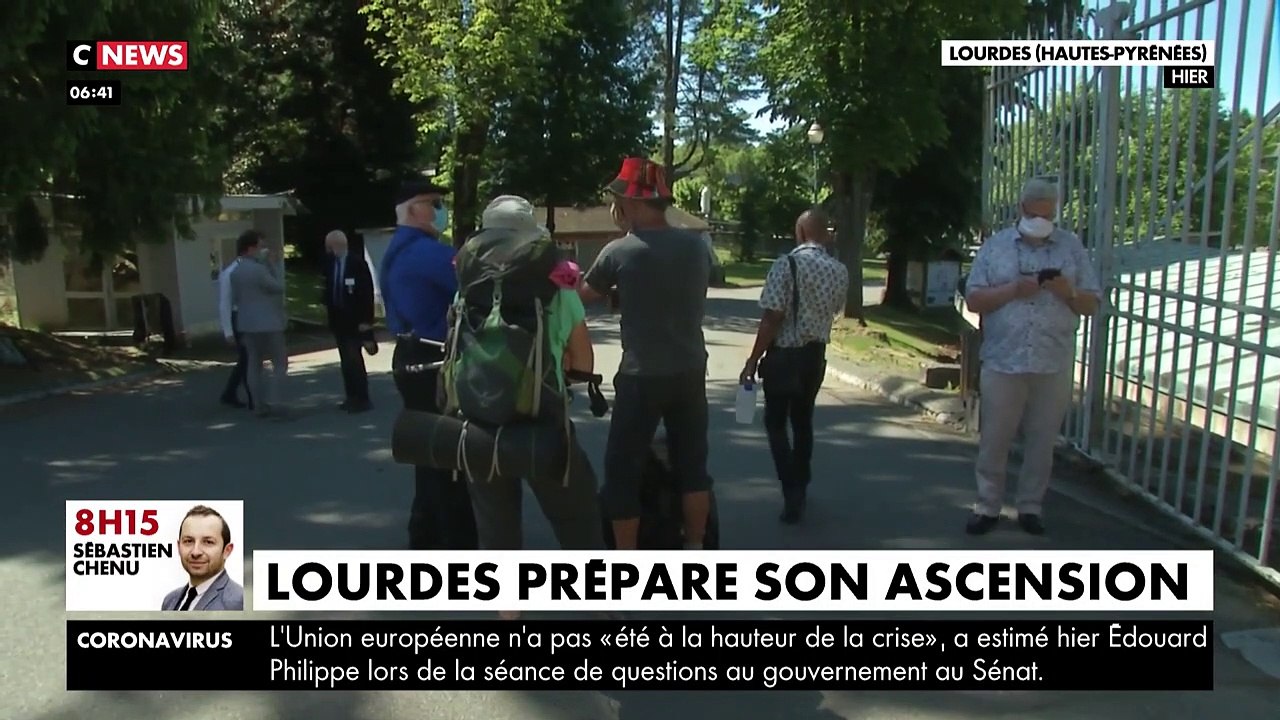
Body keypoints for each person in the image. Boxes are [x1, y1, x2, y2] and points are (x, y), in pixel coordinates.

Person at [459, 196, 606, 555]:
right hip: (542, 413)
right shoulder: (558, 284)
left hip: (479, 415)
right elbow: (583, 360)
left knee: (496, 525)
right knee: (576, 513)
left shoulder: (466, 287)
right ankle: (602, 603)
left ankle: (508, 610)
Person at [579, 157, 712, 551]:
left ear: (632, 204)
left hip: (642, 375)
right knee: (693, 468)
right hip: (690, 370)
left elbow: (582, 297)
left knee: (621, 472)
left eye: (617, 202)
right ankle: (697, 549)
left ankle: (626, 563)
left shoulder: (620, 251)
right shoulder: (697, 247)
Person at [963, 178, 1101, 536]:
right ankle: (987, 504)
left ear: (1055, 211)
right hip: (1003, 359)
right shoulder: (996, 248)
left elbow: (1092, 304)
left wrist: (1067, 291)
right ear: (1021, 209)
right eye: (1034, 212)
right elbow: (974, 299)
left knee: (1042, 440)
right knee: (995, 437)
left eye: (1047, 213)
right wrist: (1012, 290)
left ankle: (1030, 505)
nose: (1040, 219)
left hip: (1051, 360)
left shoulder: (1071, 248)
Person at [380, 178, 479, 550]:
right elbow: (477, 285)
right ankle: (456, 543)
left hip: (412, 356)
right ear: (412, 210)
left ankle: (425, 537)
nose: (440, 209)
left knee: (429, 454)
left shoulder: (399, 249)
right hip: (433, 359)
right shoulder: (426, 253)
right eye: (433, 202)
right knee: (451, 457)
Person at [739, 208, 849, 524]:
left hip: (785, 355)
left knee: (775, 422)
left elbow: (772, 316)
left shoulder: (786, 264)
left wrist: (752, 360)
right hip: (815, 356)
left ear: (800, 232)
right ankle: (802, 477)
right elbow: (835, 310)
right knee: (803, 420)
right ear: (824, 234)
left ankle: (792, 489)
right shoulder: (839, 270)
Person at [228, 229, 290, 419]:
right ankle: (275, 401)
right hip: (268, 324)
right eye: (261, 246)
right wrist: (274, 265)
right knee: (280, 362)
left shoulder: (235, 272)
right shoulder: (259, 269)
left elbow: (236, 298)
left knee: (254, 364)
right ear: (251, 248)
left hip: (247, 324)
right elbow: (278, 287)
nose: (264, 250)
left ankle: (257, 404)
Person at [321, 230, 375, 413]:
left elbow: (366, 293)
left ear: (336, 245)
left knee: (354, 359)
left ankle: (362, 397)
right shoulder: (330, 264)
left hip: (355, 319)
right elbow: (328, 288)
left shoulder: (357, 264)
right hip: (338, 320)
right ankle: (350, 395)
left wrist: (366, 320)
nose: (328, 250)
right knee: (345, 360)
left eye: (329, 246)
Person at [161, 505, 244, 611]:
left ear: (227, 551)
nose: (196, 552)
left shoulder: (239, 603)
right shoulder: (170, 601)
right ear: (178, 546)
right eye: (188, 541)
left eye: (208, 542)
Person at [217, 245, 252, 410]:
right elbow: (225, 304)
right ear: (249, 249)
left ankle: (230, 392)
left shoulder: (253, 269)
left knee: (247, 358)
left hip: (250, 316)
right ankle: (251, 397)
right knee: (247, 357)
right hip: (238, 317)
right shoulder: (230, 273)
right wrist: (228, 331)